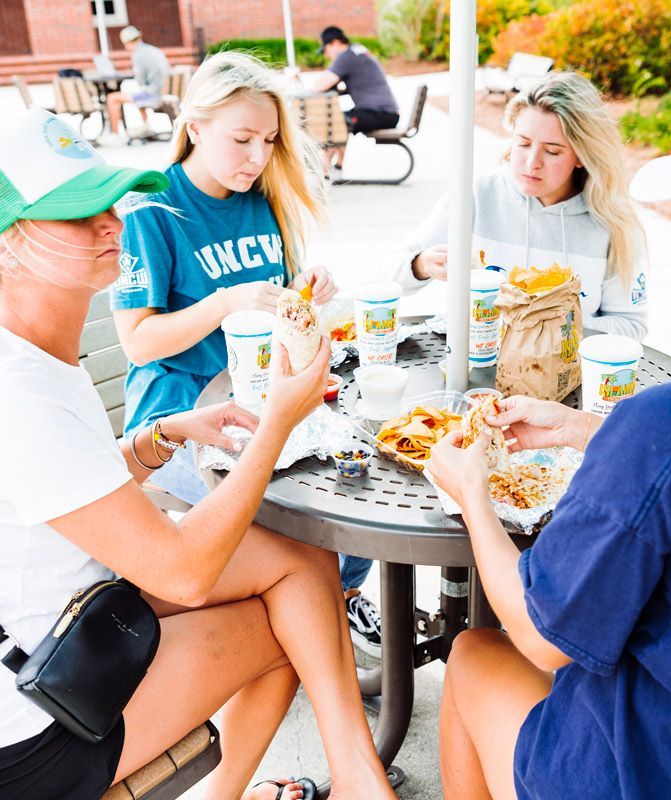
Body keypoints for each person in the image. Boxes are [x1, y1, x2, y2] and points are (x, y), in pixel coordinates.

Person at [0, 108, 398, 800]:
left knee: (304, 562)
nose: (110, 225)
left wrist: (163, 434)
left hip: (68, 614)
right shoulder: (21, 390)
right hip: (38, 720)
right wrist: (278, 418)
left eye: (107, 199)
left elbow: (57, 498)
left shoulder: (30, 351)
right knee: (296, 618)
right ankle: (357, 783)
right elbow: (184, 575)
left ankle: (360, 779)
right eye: (74, 213)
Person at [426, 65, 671, 799]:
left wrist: (471, 492)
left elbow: (540, 634)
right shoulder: (664, 433)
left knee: (475, 652)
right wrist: (589, 430)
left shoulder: (665, 426)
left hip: (646, 772)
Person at [109, 51, 381, 656]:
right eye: (241, 139)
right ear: (195, 125)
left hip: (262, 402)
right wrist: (225, 301)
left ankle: (332, 602)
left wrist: (307, 289)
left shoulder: (264, 198)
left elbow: (278, 305)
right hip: (178, 418)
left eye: (268, 140)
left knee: (362, 474)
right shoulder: (153, 210)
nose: (257, 157)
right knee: (306, 522)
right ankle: (309, 622)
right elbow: (137, 341)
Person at [387, 71, 648, 339]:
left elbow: (631, 326)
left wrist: (556, 322)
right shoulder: (476, 196)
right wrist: (421, 264)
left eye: (552, 151)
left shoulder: (613, 224)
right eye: (523, 143)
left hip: (565, 376)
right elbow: (388, 273)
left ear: (582, 155)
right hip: (476, 370)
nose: (531, 162)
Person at [311, 26, 400, 177]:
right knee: (341, 119)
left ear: (334, 43)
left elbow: (318, 87)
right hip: (385, 112)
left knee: (337, 122)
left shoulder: (346, 56)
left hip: (380, 114)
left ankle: (326, 171)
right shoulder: (358, 50)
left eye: (325, 50)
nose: (327, 55)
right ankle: (337, 167)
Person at [101, 25, 170, 146]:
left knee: (112, 98)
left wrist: (136, 73)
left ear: (127, 42)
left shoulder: (138, 54)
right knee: (138, 94)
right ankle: (146, 126)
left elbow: (141, 81)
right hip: (164, 90)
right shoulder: (154, 49)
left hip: (153, 94)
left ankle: (115, 136)